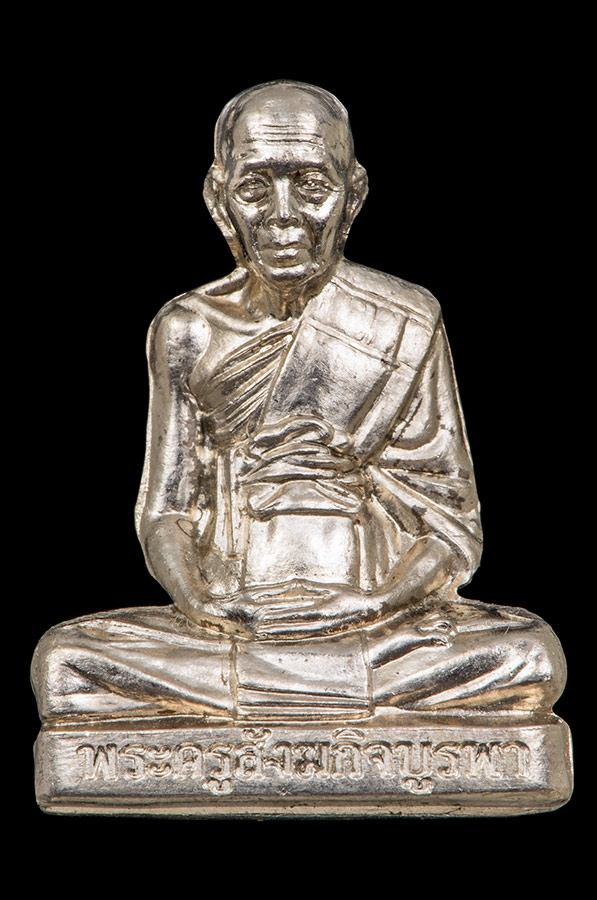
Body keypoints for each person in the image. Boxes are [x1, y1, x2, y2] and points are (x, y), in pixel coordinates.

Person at [32, 82, 566, 721]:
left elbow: (449, 526)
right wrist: (201, 603)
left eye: (311, 186)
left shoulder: (404, 318)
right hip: (238, 617)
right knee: (66, 662)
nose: (283, 216)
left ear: (353, 195)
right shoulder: (187, 330)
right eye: (255, 189)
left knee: (529, 657)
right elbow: (168, 509)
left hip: (372, 619)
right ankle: (329, 695)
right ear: (218, 200)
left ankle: (265, 696)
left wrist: (373, 604)